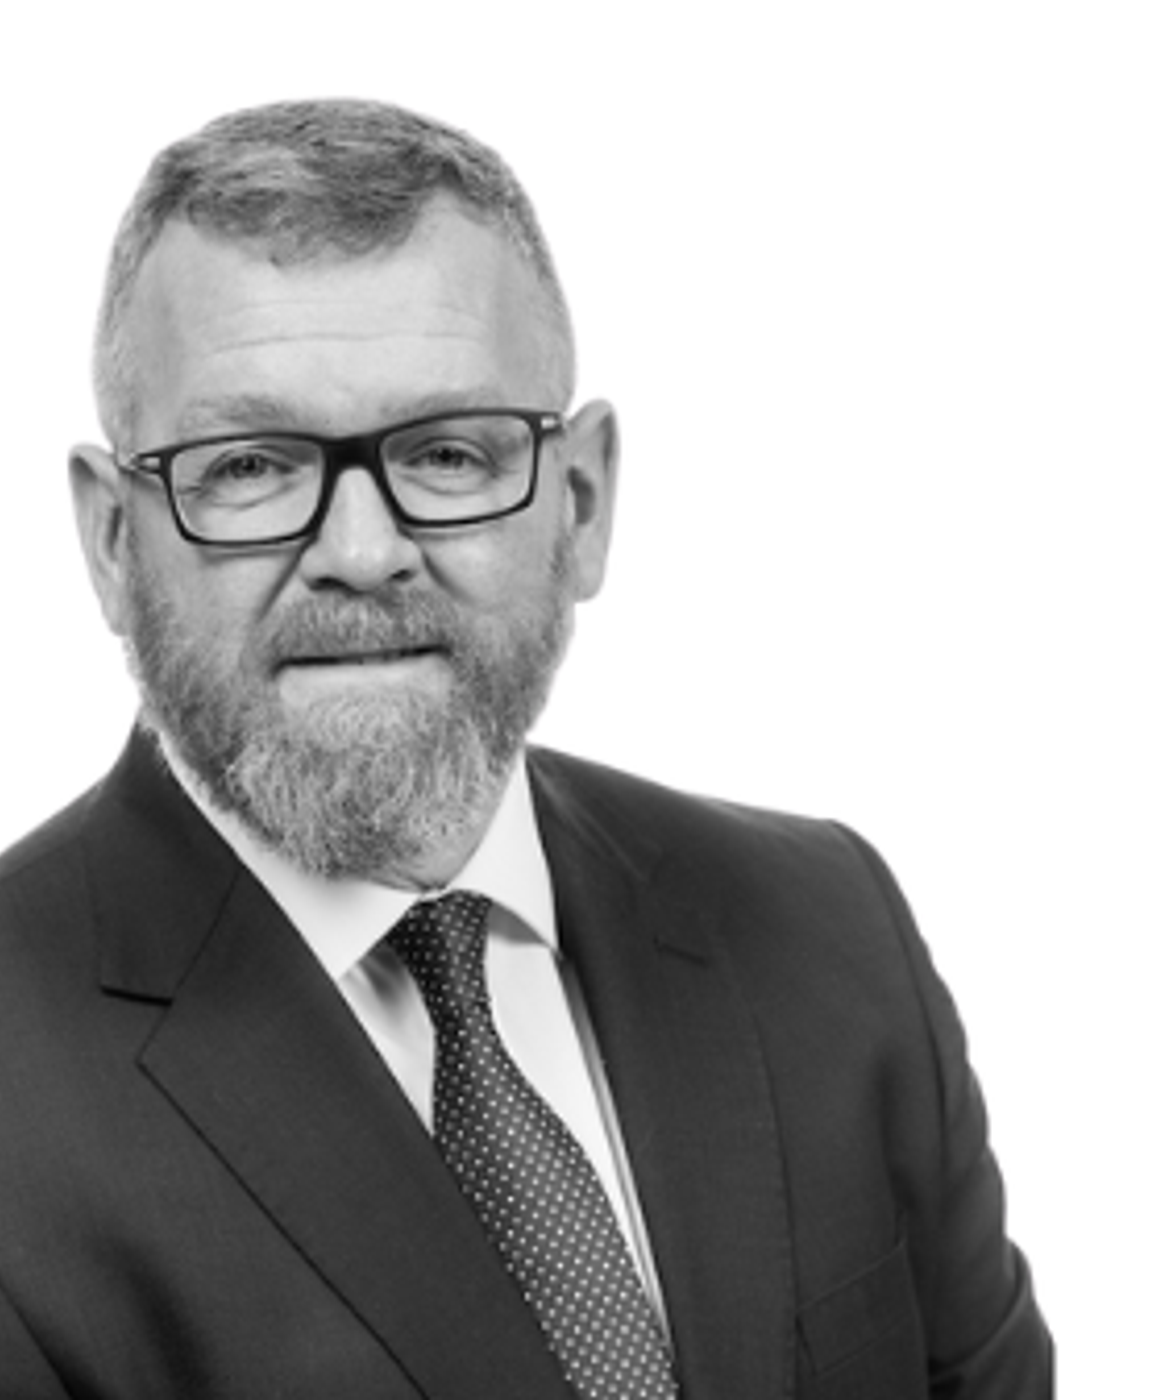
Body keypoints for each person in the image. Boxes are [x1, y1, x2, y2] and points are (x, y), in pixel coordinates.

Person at [0, 99, 1052, 1398]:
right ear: (112, 540)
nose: (362, 551)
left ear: (584, 500)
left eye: (448, 452)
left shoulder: (829, 933)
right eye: (252, 466)